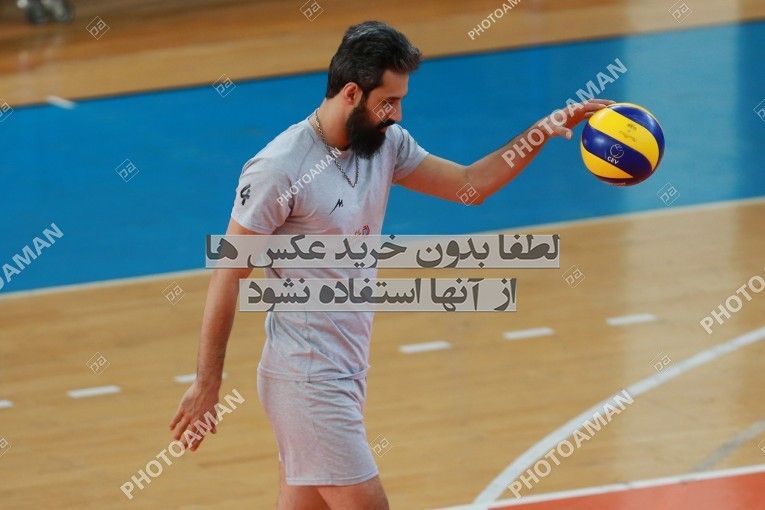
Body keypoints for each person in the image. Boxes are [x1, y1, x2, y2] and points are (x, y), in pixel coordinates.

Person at [170, 20, 611, 510]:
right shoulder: (279, 168)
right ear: (351, 93)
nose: (397, 114)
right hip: (307, 378)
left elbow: (469, 186)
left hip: (346, 370)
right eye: (388, 102)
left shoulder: (385, 144)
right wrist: (208, 383)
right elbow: (228, 275)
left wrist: (541, 132)